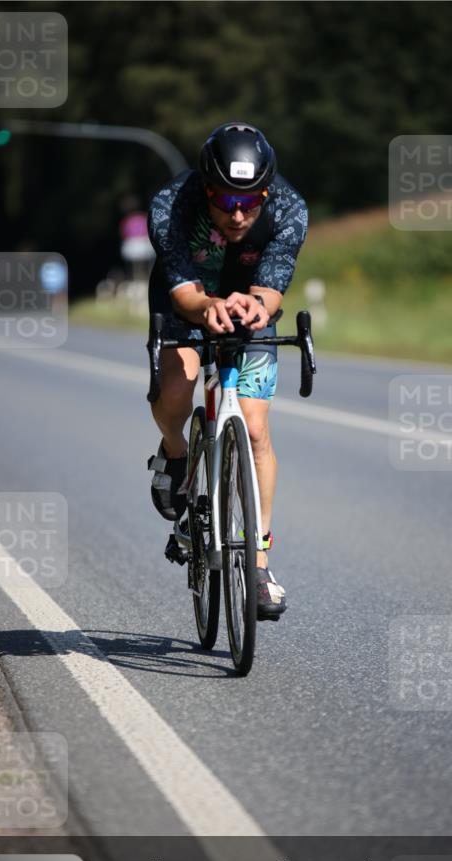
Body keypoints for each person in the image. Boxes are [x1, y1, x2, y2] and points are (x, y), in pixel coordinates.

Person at [147, 122, 308, 620]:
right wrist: (210, 306)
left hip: (250, 305)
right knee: (179, 388)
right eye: (226, 201)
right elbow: (184, 293)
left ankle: (258, 566)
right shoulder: (171, 206)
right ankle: (175, 454)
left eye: (250, 201)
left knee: (256, 430)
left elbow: (274, 286)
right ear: (205, 187)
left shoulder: (289, 209)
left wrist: (256, 307)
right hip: (189, 302)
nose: (239, 213)